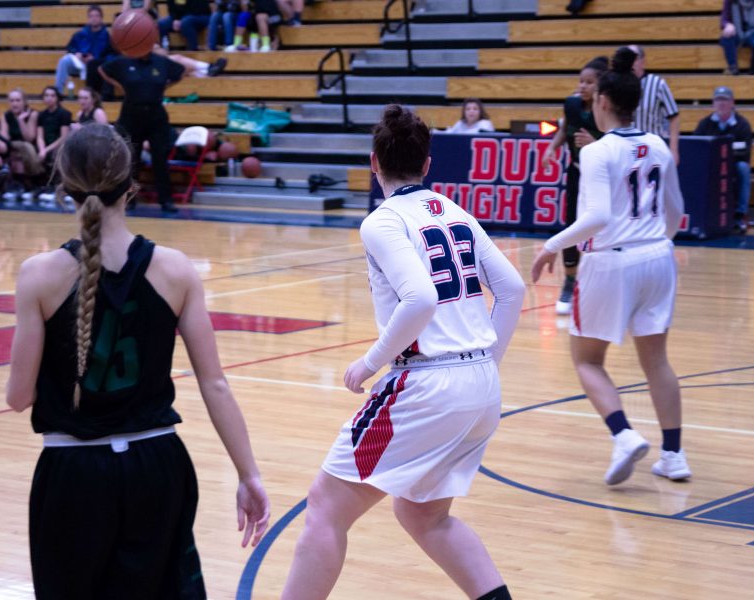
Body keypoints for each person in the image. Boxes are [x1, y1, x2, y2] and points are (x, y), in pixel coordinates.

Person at [5, 124, 270, 599]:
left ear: (64, 188)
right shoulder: (175, 269)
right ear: (132, 186)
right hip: (157, 464)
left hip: (73, 473)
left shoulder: (38, 276)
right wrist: (249, 475)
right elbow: (216, 386)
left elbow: (18, 397)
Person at [281, 104, 525, 600]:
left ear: (374, 163)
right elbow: (514, 289)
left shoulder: (383, 220)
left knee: (326, 507)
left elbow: (421, 298)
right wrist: (483, 364)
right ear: (428, 164)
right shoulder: (458, 213)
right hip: (480, 385)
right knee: (424, 513)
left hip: (427, 384)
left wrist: (369, 363)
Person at [530, 47, 690, 487]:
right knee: (657, 361)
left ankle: (623, 435)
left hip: (611, 262)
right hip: (658, 257)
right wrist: (656, 243)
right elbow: (676, 211)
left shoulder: (598, 152)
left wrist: (550, 246)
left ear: (601, 101)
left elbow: (597, 218)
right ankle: (674, 456)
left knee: (587, 360)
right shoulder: (658, 144)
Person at [541, 56, 608, 315]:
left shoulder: (606, 108)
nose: (583, 86)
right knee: (571, 225)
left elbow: (615, 140)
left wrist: (595, 142)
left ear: (600, 85)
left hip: (602, 176)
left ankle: (599, 284)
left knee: (600, 226)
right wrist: (551, 147)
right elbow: (564, 128)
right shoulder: (571, 104)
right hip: (577, 172)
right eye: (581, 81)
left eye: (589, 82)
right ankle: (570, 281)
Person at [100, 50, 185, 212]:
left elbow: (180, 72)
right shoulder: (123, 61)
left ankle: (165, 200)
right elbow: (102, 70)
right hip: (131, 115)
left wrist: (161, 88)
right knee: (132, 161)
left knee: (160, 160)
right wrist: (121, 86)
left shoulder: (161, 61)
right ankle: (130, 198)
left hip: (155, 115)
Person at [694, 86, 754, 233]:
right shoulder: (705, 124)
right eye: (718, 100)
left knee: (743, 168)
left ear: (732, 103)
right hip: (710, 166)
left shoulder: (742, 125)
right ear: (713, 103)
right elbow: (696, 147)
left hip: (732, 166)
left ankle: (740, 215)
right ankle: (697, 211)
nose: (721, 103)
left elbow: (746, 153)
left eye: (725, 100)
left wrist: (722, 154)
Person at [629, 45, 681, 165]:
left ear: (643, 62)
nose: (630, 63)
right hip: (626, 150)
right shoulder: (617, 85)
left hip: (652, 150)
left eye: (634, 59)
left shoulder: (657, 84)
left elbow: (674, 117)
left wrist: (673, 150)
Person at [55, 5, 111, 98]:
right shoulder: (80, 34)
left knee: (94, 64)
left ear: (101, 18)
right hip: (80, 63)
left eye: (96, 16)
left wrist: (94, 59)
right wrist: (76, 54)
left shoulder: (107, 36)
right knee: (64, 61)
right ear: (88, 18)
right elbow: (70, 48)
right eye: (91, 16)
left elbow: (109, 55)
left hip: (96, 67)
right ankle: (57, 93)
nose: (94, 18)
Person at [720, 0, 754, 75]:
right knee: (727, 36)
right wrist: (727, 25)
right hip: (737, 32)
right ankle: (733, 67)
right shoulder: (730, 1)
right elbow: (724, 20)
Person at [36, 86, 72, 168]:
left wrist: (46, 150)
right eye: (46, 95)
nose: (49, 98)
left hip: (58, 146)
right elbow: (39, 137)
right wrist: (42, 149)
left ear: (57, 98)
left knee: (55, 155)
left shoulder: (64, 114)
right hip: (45, 145)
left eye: (52, 96)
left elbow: (63, 137)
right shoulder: (41, 115)